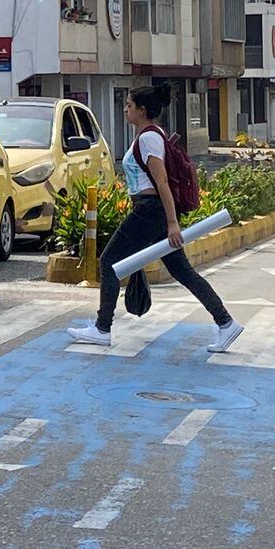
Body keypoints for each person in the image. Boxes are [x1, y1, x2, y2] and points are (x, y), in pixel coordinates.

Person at [67, 84, 242, 353]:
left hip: (149, 210)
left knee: (109, 262)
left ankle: (102, 328)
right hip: (152, 210)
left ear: (142, 110)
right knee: (182, 271)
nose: (125, 109)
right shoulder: (151, 135)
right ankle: (226, 323)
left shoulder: (149, 138)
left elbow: (162, 182)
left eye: (129, 105)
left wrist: (172, 223)